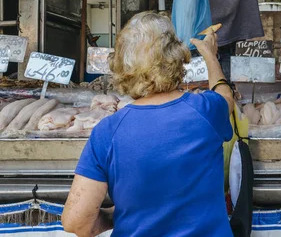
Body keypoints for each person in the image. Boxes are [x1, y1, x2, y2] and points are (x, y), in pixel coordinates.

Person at [62, 12, 235, 237]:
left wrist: (117, 216)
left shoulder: (107, 132)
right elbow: (226, 96)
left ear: (122, 65)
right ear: (176, 57)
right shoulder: (206, 110)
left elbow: (76, 223)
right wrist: (210, 55)